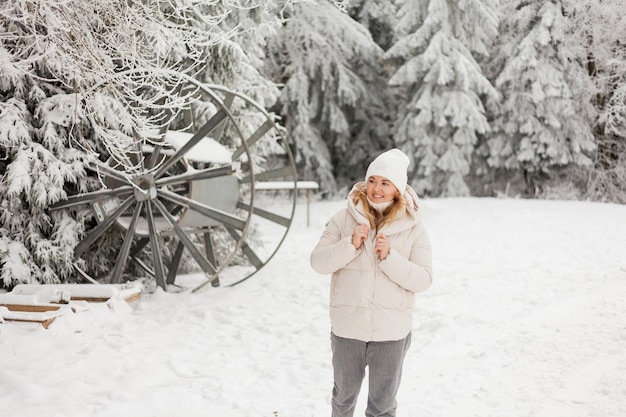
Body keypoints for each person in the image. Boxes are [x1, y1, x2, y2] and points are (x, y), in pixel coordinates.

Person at [310, 149, 433, 417]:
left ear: (397, 189)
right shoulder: (344, 219)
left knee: (382, 407)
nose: (377, 188)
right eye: (373, 180)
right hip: (348, 329)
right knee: (342, 401)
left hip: (391, 333)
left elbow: (424, 278)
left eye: (385, 183)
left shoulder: (413, 227)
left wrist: (390, 257)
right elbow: (318, 262)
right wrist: (350, 244)